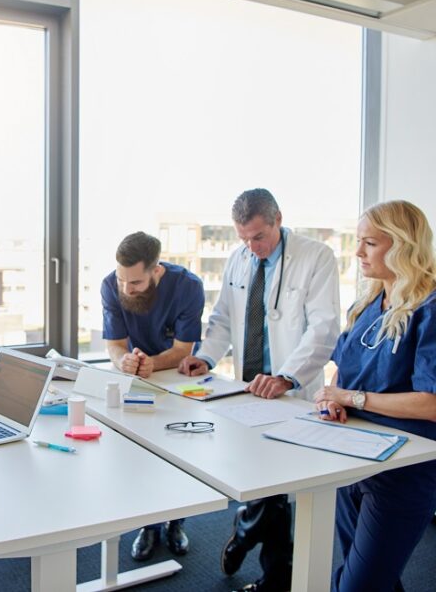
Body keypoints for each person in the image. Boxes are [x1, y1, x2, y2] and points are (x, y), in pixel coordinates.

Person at [179, 188, 340, 592]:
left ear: (278, 219)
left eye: (258, 237)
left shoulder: (316, 257)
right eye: (244, 238)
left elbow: (323, 329)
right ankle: (250, 529)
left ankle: (271, 572)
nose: (252, 246)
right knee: (262, 476)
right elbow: (222, 318)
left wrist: (286, 376)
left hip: (291, 391)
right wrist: (208, 357)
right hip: (247, 389)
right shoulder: (239, 258)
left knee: (286, 483)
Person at [314, 200, 436, 592]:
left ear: (403, 245)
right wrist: (329, 399)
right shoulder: (367, 302)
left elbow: (431, 404)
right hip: (353, 456)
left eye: (369, 243)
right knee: (371, 576)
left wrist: (352, 398)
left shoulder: (429, 309)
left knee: (357, 585)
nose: (357, 252)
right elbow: (341, 374)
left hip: (403, 469)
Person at [101, 231, 205, 560]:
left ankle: (176, 522)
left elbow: (182, 349)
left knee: (178, 453)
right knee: (137, 456)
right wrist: (125, 362)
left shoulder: (188, 287)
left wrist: (154, 364)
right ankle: (148, 525)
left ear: (156, 272)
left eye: (135, 283)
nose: (126, 289)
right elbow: (115, 345)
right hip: (135, 378)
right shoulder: (110, 286)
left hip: (176, 379)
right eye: (122, 280)